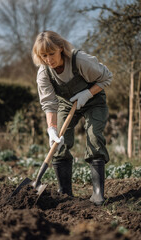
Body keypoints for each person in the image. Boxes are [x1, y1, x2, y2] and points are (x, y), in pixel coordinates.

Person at [32, 30, 112, 206]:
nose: (48, 59)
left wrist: (87, 93)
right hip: (67, 104)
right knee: (58, 144)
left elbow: (107, 77)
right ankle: (65, 193)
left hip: (93, 100)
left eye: (51, 53)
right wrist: (52, 128)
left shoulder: (80, 60)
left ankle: (98, 193)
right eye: (44, 55)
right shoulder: (44, 73)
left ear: (60, 48)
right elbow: (49, 104)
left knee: (93, 137)